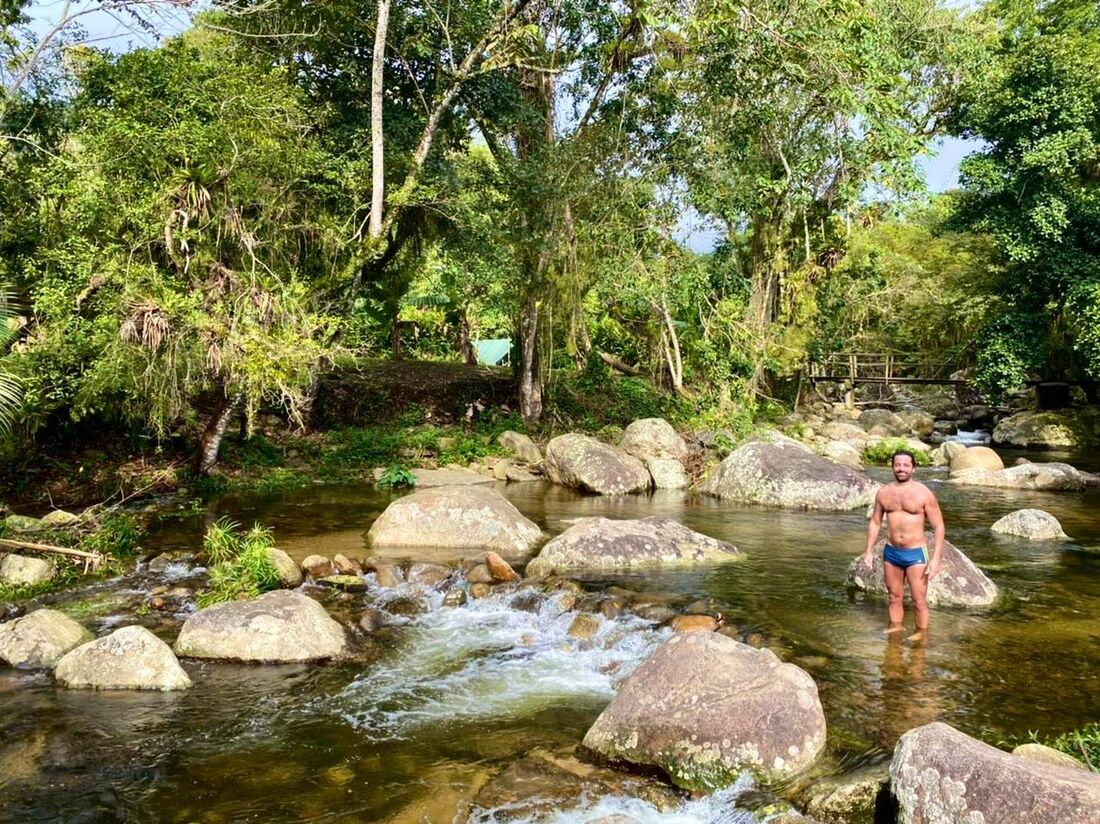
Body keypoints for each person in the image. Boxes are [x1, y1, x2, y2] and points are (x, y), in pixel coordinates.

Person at [862, 449, 944, 641]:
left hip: (916, 553)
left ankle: (921, 636)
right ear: (892, 467)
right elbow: (875, 522)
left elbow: (939, 526)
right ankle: (896, 629)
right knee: (894, 596)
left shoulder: (924, 494)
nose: (901, 468)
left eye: (906, 465)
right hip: (891, 553)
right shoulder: (884, 493)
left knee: (919, 600)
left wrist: (936, 558)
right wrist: (867, 551)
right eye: (897, 465)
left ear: (913, 469)